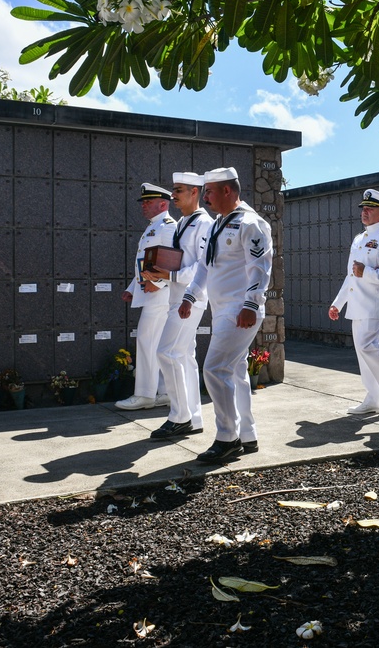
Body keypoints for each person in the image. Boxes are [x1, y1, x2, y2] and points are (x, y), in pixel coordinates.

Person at [180, 167, 273, 463]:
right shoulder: (217, 224)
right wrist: (190, 296)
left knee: (214, 369)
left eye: (209, 191)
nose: (205, 197)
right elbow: (205, 267)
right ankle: (247, 434)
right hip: (221, 309)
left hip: (240, 309)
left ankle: (226, 437)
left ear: (227, 191)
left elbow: (260, 267)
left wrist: (251, 304)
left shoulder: (251, 223)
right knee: (235, 372)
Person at [142, 172, 213, 439]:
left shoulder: (204, 223)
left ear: (194, 192)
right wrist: (160, 271)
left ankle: (179, 416)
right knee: (183, 357)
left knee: (166, 352)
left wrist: (170, 277)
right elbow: (180, 260)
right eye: (174, 189)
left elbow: (203, 266)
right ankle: (193, 417)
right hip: (177, 296)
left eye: (179, 190)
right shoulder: (184, 222)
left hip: (189, 299)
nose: (174, 195)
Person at [329, 188, 379, 415]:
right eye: (364, 208)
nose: (365, 212)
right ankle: (373, 397)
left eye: (370, 209)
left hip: (375, 302)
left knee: (367, 346)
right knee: (362, 352)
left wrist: (369, 272)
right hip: (357, 303)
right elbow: (351, 275)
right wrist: (338, 302)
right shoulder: (359, 239)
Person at [115, 183, 175, 411]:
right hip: (152, 294)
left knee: (147, 342)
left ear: (163, 204)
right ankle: (164, 392)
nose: (144, 206)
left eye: (148, 202)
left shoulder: (167, 227)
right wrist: (133, 287)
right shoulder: (154, 227)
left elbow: (171, 261)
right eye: (144, 202)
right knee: (156, 345)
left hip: (161, 297)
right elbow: (146, 263)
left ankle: (145, 395)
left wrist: (157, 282)